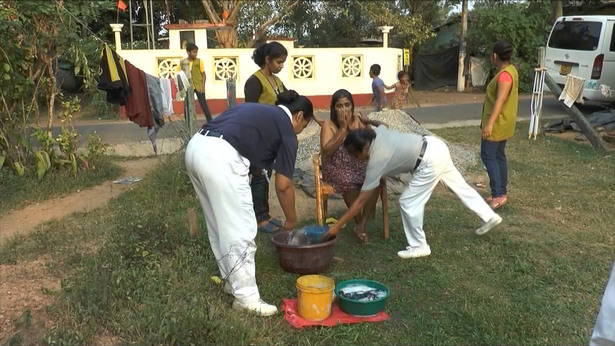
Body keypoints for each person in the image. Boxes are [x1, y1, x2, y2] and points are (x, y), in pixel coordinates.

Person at [184, 90, 313, 316]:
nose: (299, 132)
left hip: (196, 147)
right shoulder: (286, 130)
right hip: (220, 157)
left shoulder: (258, 111)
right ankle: (247, 298)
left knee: (218, 224)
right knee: (241, 228)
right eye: (302, 127)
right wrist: (292, 220)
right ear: (299, 116)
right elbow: (283, 185)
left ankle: (231, 281)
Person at [325, 127, 503, 259]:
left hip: (429, 161)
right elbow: (377, 123)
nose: (354, 158)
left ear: (364, 149)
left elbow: (361, 201)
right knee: (460, 187)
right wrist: (367, 121)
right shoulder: (377, 132)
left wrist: (336, 226)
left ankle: (419, 246)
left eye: (353, 154)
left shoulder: (376, 160)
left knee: (408, 202)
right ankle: (489, 216)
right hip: (435, 145)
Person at [320, 89, 386, 242]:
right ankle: (358, 221)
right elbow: (327, 150)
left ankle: (361, 224)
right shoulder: (328, 125)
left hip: (359, 166)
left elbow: (375, 140)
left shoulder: (360, 122)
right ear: (333, 108)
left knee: (375, 180)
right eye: (339, 106)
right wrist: (343, 129)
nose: (344, 109)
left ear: (353, 106)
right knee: (347, 182)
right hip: (336, 167)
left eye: (347, 105)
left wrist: (368, 122)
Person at [244, 42, 290, 233]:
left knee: (266, 176)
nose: (281, 66)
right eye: (279, 62)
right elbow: (249, 113)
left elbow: (288, 100)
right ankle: (259, 219)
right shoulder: (254, 82)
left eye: (283, 63)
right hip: (258, 138)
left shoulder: (277, 81)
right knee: (259, 177)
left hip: (272, 139)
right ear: (267, 60)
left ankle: (265, 214)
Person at [480, 40, 518, 210]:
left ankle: (497, 195)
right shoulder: (511, 71)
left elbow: (501, 99)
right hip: (505, 122)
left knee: (488, 155)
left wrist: (489, 124)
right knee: (499, 156)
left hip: (497, 123)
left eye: (491, 54)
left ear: (495, 56)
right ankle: (501, 192)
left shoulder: (504, 75)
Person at [182, 43, 212, 122]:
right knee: (187, 105)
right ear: (188, 52)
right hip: (188, 86)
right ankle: (188, 123)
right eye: (194, 52)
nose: (195, 54)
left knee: (203, 105)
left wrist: (202, 86)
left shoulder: (199, 61)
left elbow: (203, 74)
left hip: (199, 86)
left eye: (196, 52)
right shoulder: (184, 62)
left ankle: (210, 121)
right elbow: (181, 74)